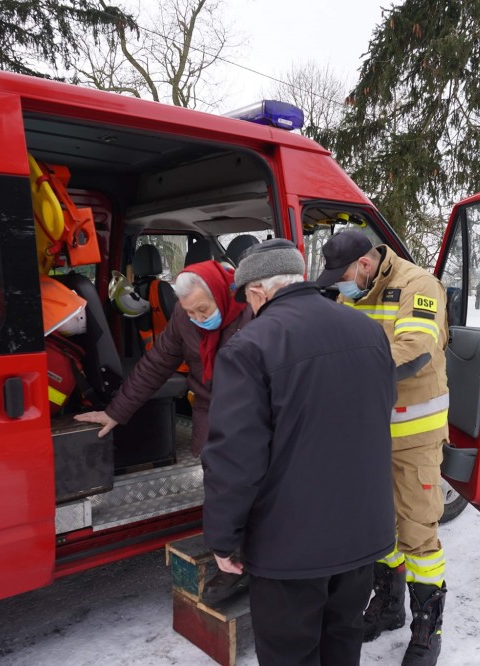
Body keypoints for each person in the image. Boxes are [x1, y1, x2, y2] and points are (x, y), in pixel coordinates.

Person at [201, 239, 397, 666]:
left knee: (290, 655)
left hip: (290, 550)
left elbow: (236, 458)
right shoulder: (368, 331)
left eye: (248, 300)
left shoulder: (250, 347)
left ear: (257, 292)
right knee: (343, 643)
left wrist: (222, 537)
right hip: (361, 535)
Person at [314, 228, 450, 666]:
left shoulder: (418, 287)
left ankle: (428, 628)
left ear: (366, 264)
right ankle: (389, 605)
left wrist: (345, 371)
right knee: (378, 527)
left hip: (414, 436)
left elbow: (414, 351)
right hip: (367, 434)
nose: (340, 285)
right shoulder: (351, 293)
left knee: (417, 532)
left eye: (344, 275)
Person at [74, 260, 252, 456]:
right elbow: (156, 364)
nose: (198, 319)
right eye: (190, 311)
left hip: (251, 410)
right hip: (209, 410)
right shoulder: (183, 319)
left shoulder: (255, 314)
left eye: (203, 309)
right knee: (214, 473)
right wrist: (114, 412)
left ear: (221, 296)